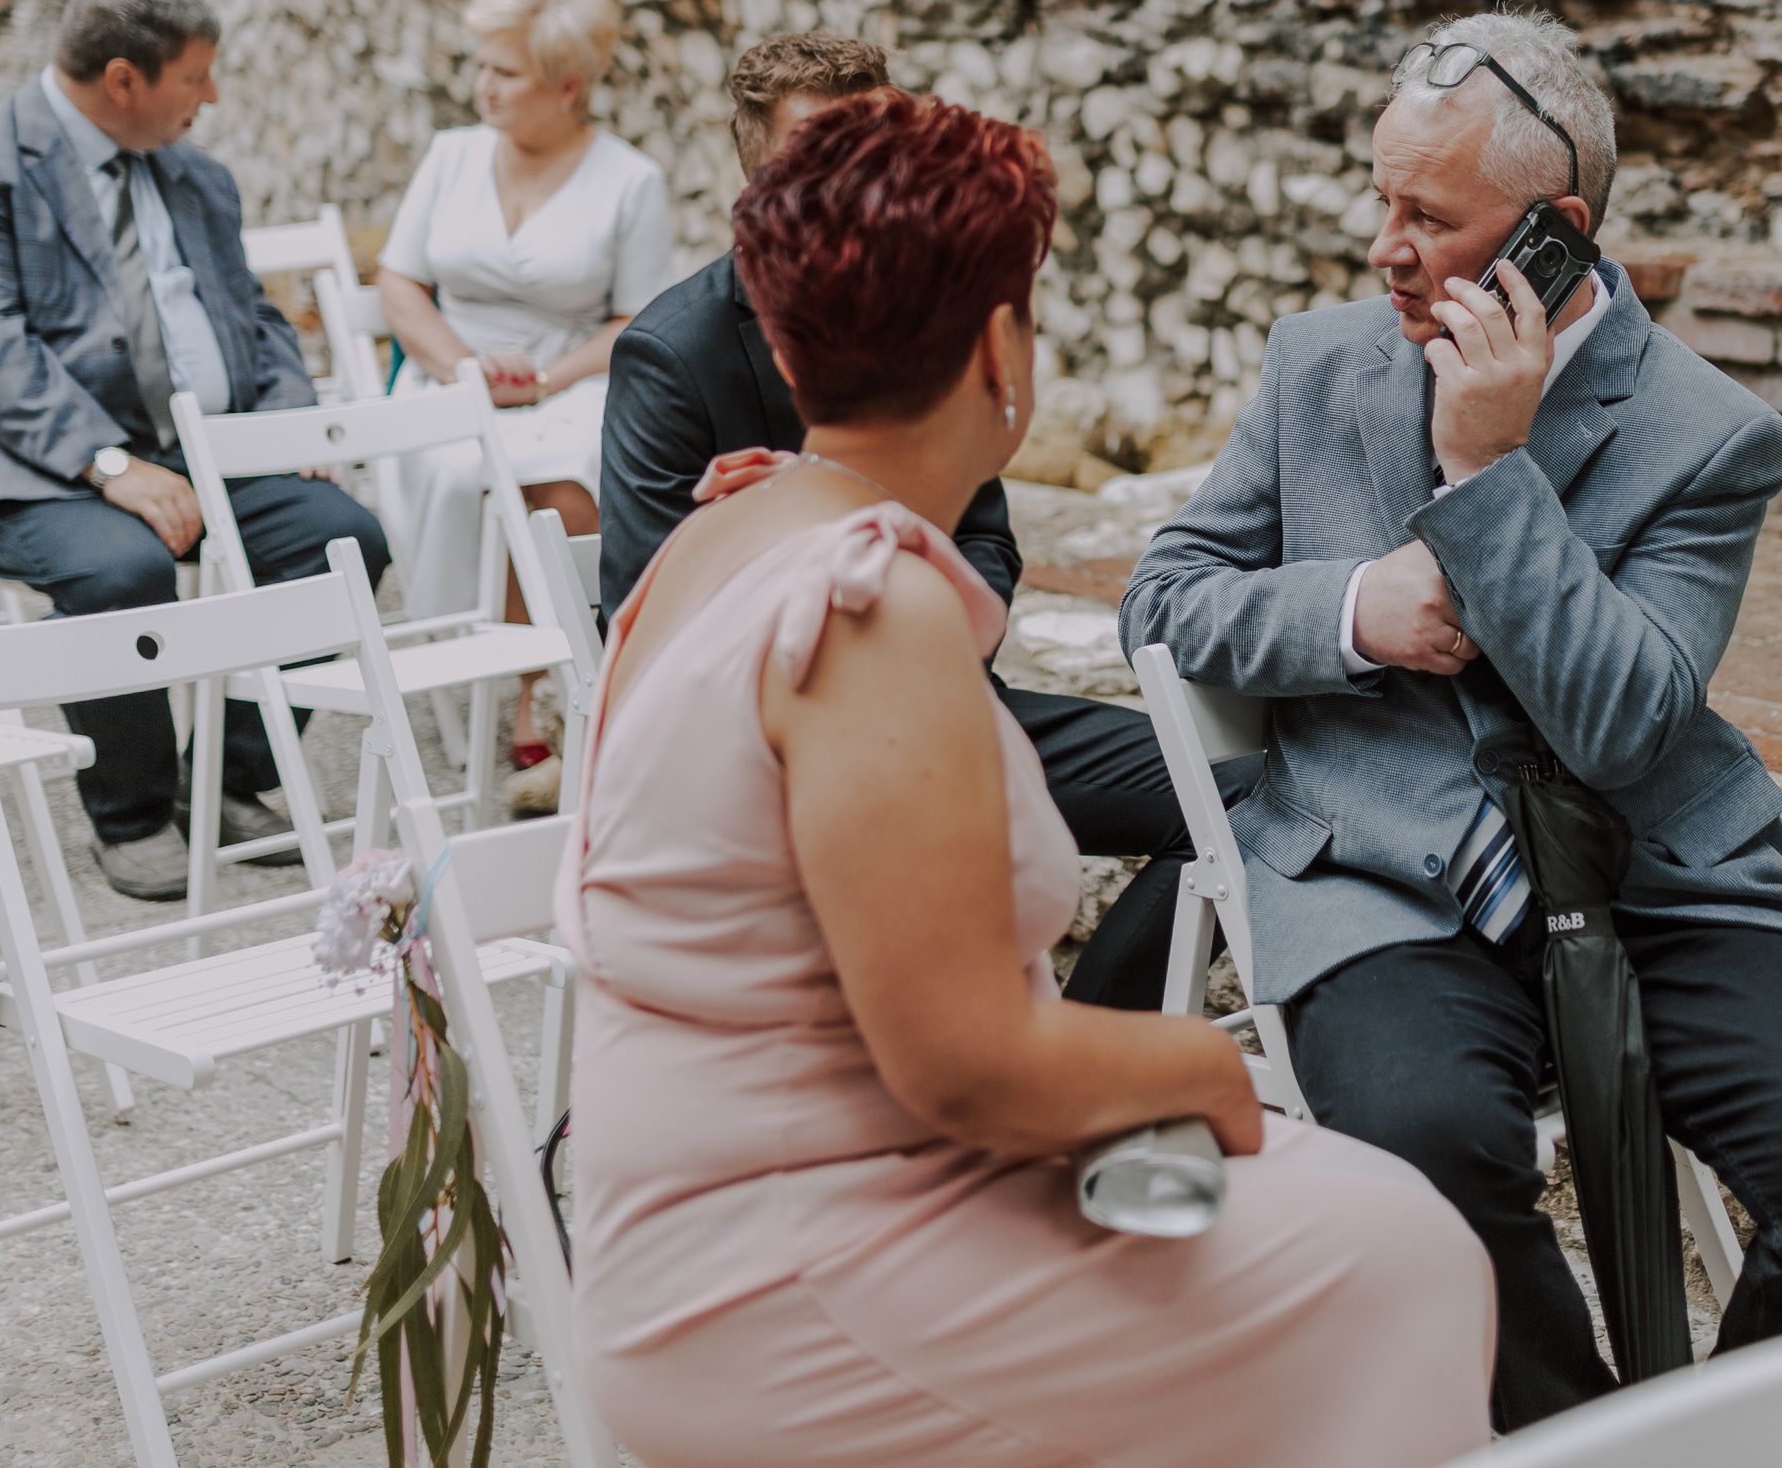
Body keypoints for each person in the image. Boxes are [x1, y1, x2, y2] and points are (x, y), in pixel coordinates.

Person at [557, 86, 1492, 1468]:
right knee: (1402, 1250)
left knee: (1341, 1231)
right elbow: (968, 1066)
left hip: (701, 1209)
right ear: (1002, 344)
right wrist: (1204, 1067)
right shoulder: (867, 610)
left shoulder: (729, 523)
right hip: (790, 1263)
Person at [1120, 9, 1782, 1432]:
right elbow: (1164, 599)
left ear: (1555, 233)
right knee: (1424, 1153)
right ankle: (1580, 1446)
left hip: (1653, 875)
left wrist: (1489, 472)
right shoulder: (1320, 364)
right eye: (1381, 200)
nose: (1385, 248)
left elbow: (1625, 725)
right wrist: (1355, 606)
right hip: (1378, 871)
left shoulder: (1709, 433)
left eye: (1428, 218)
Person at [598, 32, 1245, 1011]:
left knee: (1238, 788)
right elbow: (650, 619)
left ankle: (1100, 1019)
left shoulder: (927, 316)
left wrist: (934, 650)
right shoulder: (674, 353)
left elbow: (986, 536)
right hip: (779, 755)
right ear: (757, 181)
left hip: (954, 690)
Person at [0, 0, 390, 902]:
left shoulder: (198, 175)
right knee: (123, 568)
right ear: (124, 80)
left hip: (199, 450)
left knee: (342, 540)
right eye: (196, 76)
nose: (213, 96)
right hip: (35, 463)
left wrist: (283, 422)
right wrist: (108, 462)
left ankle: (226, 780)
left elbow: (256, 319)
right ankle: (131, 813)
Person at [377, 0, 670, 784]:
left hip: (572, 375)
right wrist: (462, 369)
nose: (484, 86)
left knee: (566, 483)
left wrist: (544, 381)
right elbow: (399, 284)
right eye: (482, 66)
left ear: (568, 85)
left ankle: (543, 684)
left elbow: (636, 320)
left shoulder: (631, 180)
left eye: (504, 72)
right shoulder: (451, 156)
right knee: (455, 468)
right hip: (449, 372)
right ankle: (475, 657)